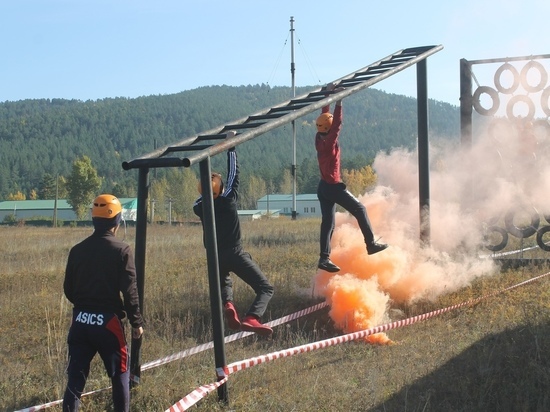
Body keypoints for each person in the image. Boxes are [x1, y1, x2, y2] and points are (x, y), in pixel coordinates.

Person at [62, 194, 144, 412]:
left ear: (93, 219)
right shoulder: (122, 250)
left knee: (75, 381)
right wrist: (136, 323)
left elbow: (68, 289)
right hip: (109, 324)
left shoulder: (77, 250)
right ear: (117, 221)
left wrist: (86, 307)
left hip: (80, 321)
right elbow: (130, 292)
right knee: (120, 375)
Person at [193, 131, 274, 336]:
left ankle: (229, 304)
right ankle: (252, 317)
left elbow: (205, 195)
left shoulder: (199, 206)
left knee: (225, 282)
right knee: (265, 288)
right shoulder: (227, 200)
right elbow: (233, 175)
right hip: (235, 253)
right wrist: (231, 145)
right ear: (220, 190)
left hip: (214, 256)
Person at [315, 83, 388, 273]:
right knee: (360, 209)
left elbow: (326, 119)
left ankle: (324, 258)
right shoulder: (330, 142)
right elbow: (337, 124)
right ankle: (370, 244)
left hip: (323, 188)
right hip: (333, 186)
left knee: (328, 223)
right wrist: (339, 102)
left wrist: (328, 95)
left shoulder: (318, 137)